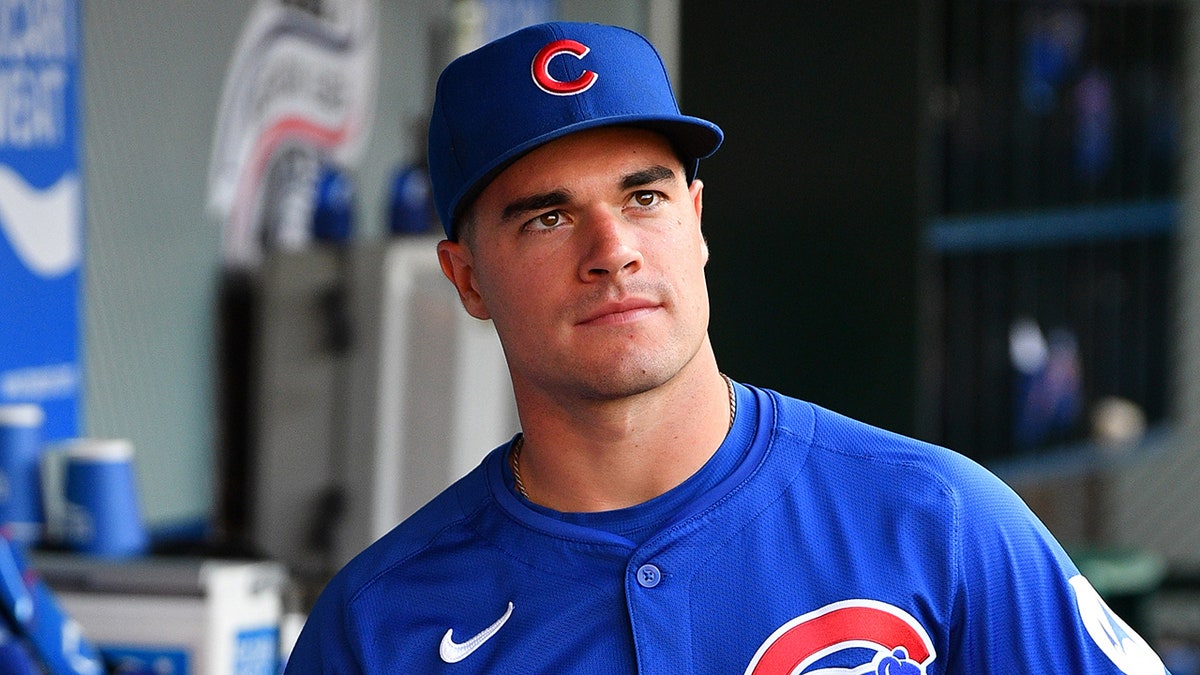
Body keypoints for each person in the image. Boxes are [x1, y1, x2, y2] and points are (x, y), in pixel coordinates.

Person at [284, 21, 1172, 674]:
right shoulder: (379, 628)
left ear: (697, 221)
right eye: (549, 217)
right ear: (467, 277)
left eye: (644, 198)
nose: (613, 250)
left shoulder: (938, 519)